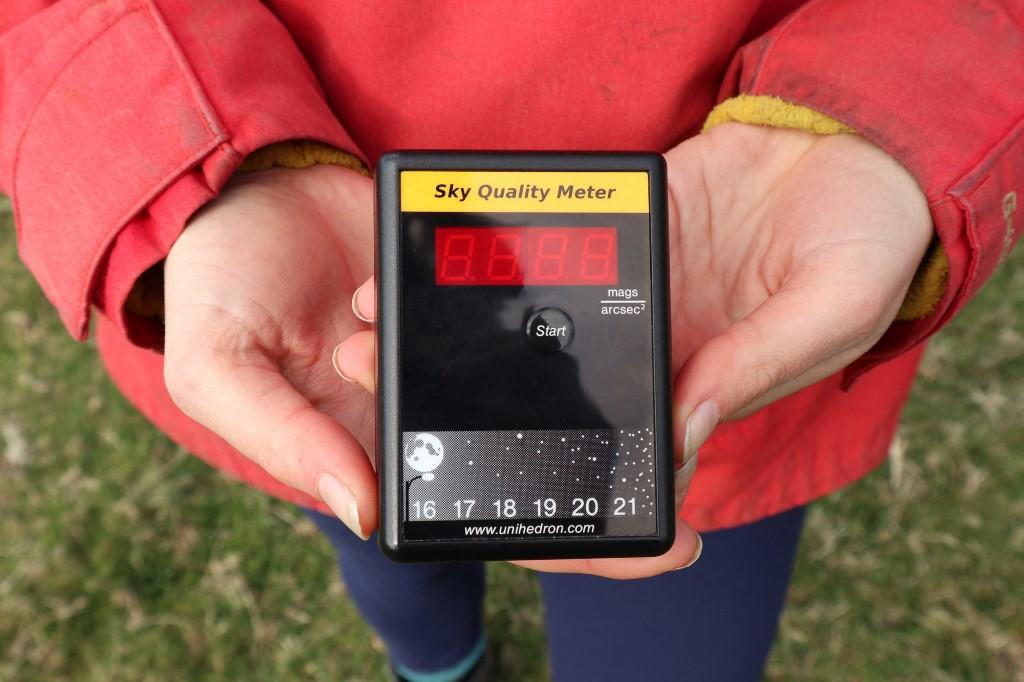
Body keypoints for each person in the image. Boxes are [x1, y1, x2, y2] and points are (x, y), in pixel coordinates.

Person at [2, 2, 1021, 680]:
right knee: (386, 547)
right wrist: (184, 147)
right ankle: (440, 665)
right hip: (316, 307)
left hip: (720, 336)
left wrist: (887, 111)